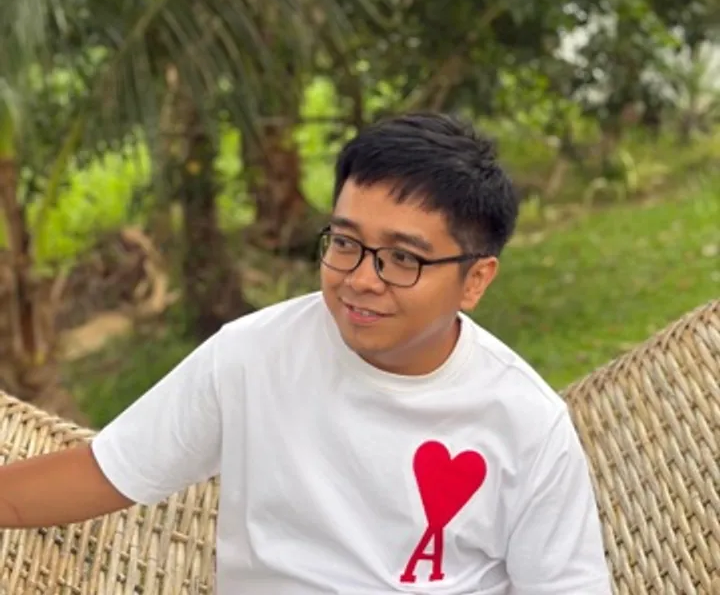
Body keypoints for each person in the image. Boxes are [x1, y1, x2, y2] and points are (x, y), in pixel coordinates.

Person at [0, 112, 611, 594]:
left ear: (475, 280)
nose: (361, 279)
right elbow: (107, 472)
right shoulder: (252, 356)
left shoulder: (525, 425)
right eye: (345, 243)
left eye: (402, 258)